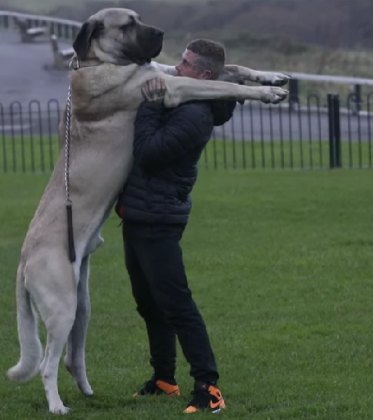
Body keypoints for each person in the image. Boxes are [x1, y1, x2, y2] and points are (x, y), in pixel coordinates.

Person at [115, 39, 236, 414]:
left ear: (203, 75)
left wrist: (150, 106)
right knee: (149, 304)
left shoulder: (196, 114)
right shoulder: (182, 100)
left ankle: (208, 388)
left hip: (159, 220)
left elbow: (149, 154)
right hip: (138, 214)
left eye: (183, 64)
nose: (174, 68)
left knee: (177, 304)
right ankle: (164, 380)